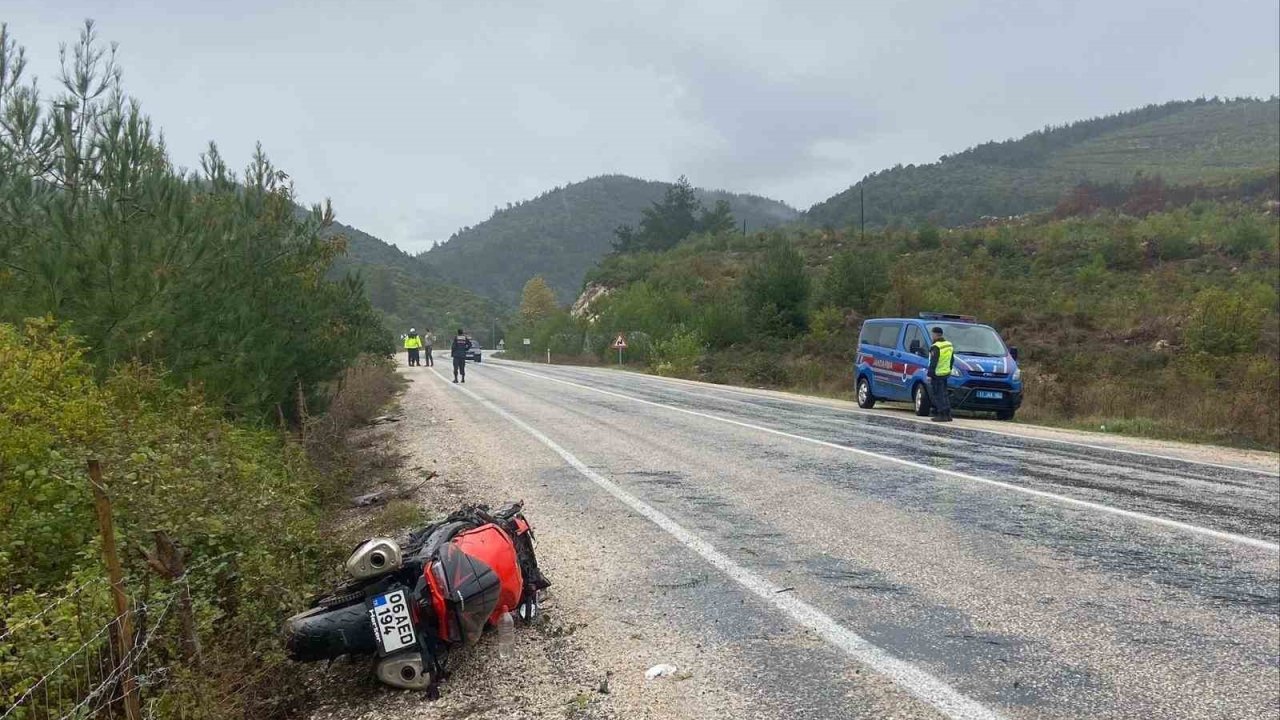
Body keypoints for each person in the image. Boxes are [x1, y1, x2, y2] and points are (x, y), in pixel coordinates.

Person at [927, 326, 954, 422]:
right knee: (944, 394)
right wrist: (949, 369)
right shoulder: (949, 345)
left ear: (935, 334)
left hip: (937, 374)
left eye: (932, 334)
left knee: (938, 395)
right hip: (945, 373)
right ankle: (948, 414)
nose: (932, 336)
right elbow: (952, 360)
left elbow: (933, 361)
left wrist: (929, 374)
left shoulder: (935, 346)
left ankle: (941, 414)